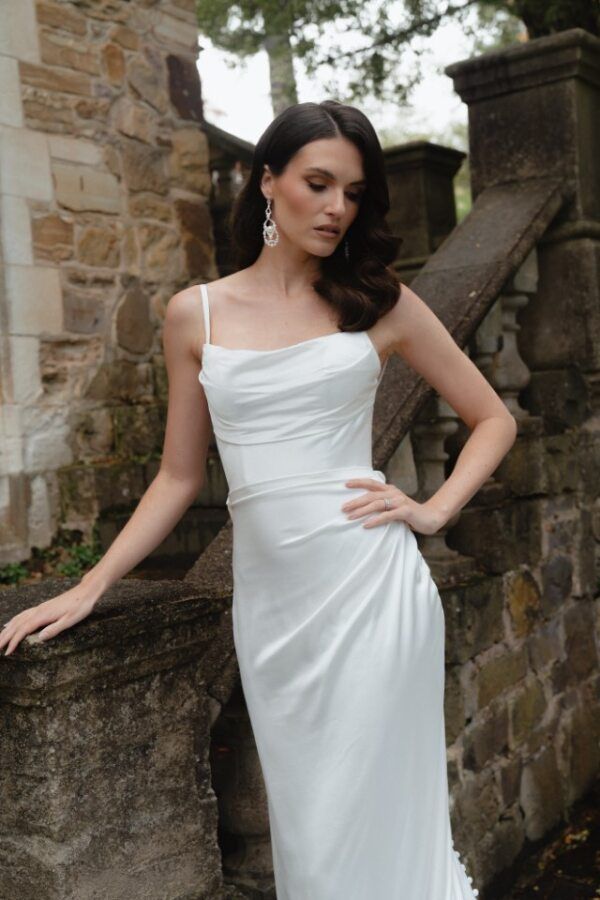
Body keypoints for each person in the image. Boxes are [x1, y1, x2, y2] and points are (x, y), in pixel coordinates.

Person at [1, 100, 515, 897]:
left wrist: (433, 510)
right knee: (311, 835)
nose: (338, 207)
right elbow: (178, 478)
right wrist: (90, 586)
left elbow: (493, 418)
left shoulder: (379, 301)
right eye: (319, 183)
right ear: (268, 181)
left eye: (354, 192)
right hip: (274, 612)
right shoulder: (195, 314)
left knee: (369, 824)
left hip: (374, 594)